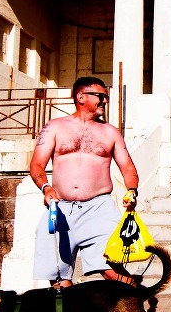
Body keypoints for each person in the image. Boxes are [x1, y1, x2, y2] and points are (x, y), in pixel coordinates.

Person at [29, 76, 145, 289]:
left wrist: (132, 191)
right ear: (81, 96)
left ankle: (136, 311)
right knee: (58, 278)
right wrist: (46, 188)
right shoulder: (54, 127)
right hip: (60, 208)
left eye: (106, 97)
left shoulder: (110, 132)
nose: (104, 101)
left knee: (112, 271)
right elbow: (37, 164)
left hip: (98, 208)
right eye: (100, 96)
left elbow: (128, 167)